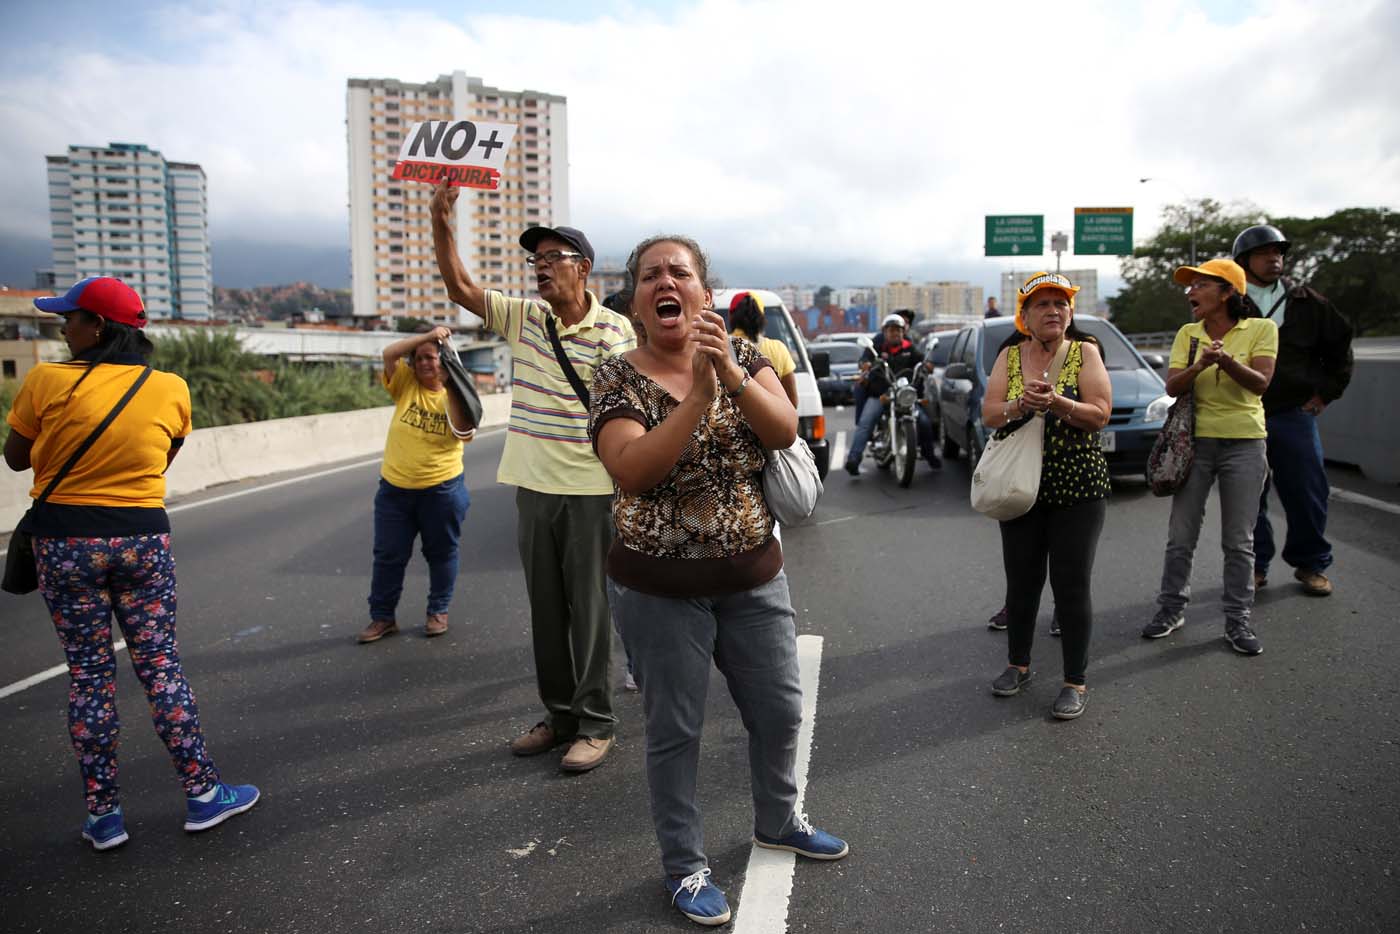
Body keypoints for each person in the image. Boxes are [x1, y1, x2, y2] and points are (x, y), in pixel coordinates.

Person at [590, 235, 848, 926]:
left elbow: (785, 428)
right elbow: (632, 469)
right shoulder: (615, 376)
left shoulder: (750, 357)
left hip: (753, 577)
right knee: (675, 730)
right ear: (637, 301)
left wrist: (728, 375)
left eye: (680, 272)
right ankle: (684, 866)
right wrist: (696, 400)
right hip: (658, 587)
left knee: (781, 709)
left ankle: (777, 819)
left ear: (705, 292)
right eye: (650, 275)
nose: (665, 282)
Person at [3, 277, 258, 850]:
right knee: (160, 666)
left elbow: (15, 459)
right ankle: (202, 795)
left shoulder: (46, 381)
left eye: (70, 319)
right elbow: (163, 456)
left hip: (64, 544)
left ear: (98, 327)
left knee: (90, 677)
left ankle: (104, 816)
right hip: (141, 539)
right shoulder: (170, 388)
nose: (62, 328)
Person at [431, 180, 635, 773]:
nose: (540, 270)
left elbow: (629, 411)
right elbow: (462, 288)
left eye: (553, 260)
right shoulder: (525, 320)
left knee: (589, 612)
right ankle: (561, 715)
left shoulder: (615, 334)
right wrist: (444, 222)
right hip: (533, 488)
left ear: (584, 269)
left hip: (592, 491)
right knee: (546, 611)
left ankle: (596, 722)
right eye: (535, 261)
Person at [980, 272, 1111, 720]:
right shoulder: (1010, 356)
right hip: (1021, 487)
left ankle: (1074, 680)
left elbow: (1100, 415)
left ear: (1070, 313)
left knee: (1072, 586)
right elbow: (990, 413)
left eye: (1061, 304)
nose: (1053, 311)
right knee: (1021, 582)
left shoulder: (1085, 352)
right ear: (1025, 316)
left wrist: (1059, 403)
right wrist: (1021, 405)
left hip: (1079, 486)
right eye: (1042, 304)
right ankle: (1018, 664)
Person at [1142, 259, 1277, 655]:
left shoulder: (1262, 329)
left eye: (1200, 285)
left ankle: (1238, 620)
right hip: (1194, 445)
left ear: (1227, 292)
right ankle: (1171, 610)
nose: (1190, 293)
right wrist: (1201, 363)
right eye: (1190, 286)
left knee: (1239, 541)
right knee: (1180, 536)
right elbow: (1172, 384)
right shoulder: (1189, 333)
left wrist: (1227, 362)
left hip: (1245, 444)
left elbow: (1261, 385)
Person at [1234, 224, 1354, 596]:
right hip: (1242, 412)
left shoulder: (1308, 302)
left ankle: (1311, 564)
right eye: (1265, 253)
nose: (1275, 259)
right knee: (1248, 494)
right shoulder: (1229, 299)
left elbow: (1340, 348)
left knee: (1308, 488)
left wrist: (1324, 395)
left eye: (1279, 253)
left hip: (1292, 413)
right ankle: (1255, 565)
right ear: (1244, 260)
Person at [357, 326, 476, 644]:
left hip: (441, 490)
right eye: (419, 358)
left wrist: (450, 380)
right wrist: (428, 336)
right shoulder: (405, 384)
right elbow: (389, 354)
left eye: (432, 358)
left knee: (441, 553)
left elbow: (466, 433)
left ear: (445, 362)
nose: (424, 363)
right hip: (394, 490)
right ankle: (382, 617)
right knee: (388, 555)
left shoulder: (457, 393)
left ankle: (438, 611)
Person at [844, 314, 931, 475]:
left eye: (898, 330)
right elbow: (865, 360)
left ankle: (929, 455)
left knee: (924, 421)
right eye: (891, 330)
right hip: (881, 394)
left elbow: (921, 361)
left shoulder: (909, 348)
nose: (895, 334)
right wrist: (865, 364)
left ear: (903, 332)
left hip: (903, 394)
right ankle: (854, 459)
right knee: (866, 421)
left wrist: (927, 365)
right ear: (885, 332)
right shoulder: (877, 348)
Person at [727, 291, 799, 407]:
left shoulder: (722, 347)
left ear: (731, 316)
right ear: (761, 317)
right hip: (769, 422)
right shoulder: (778, 348)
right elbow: (792, 402)